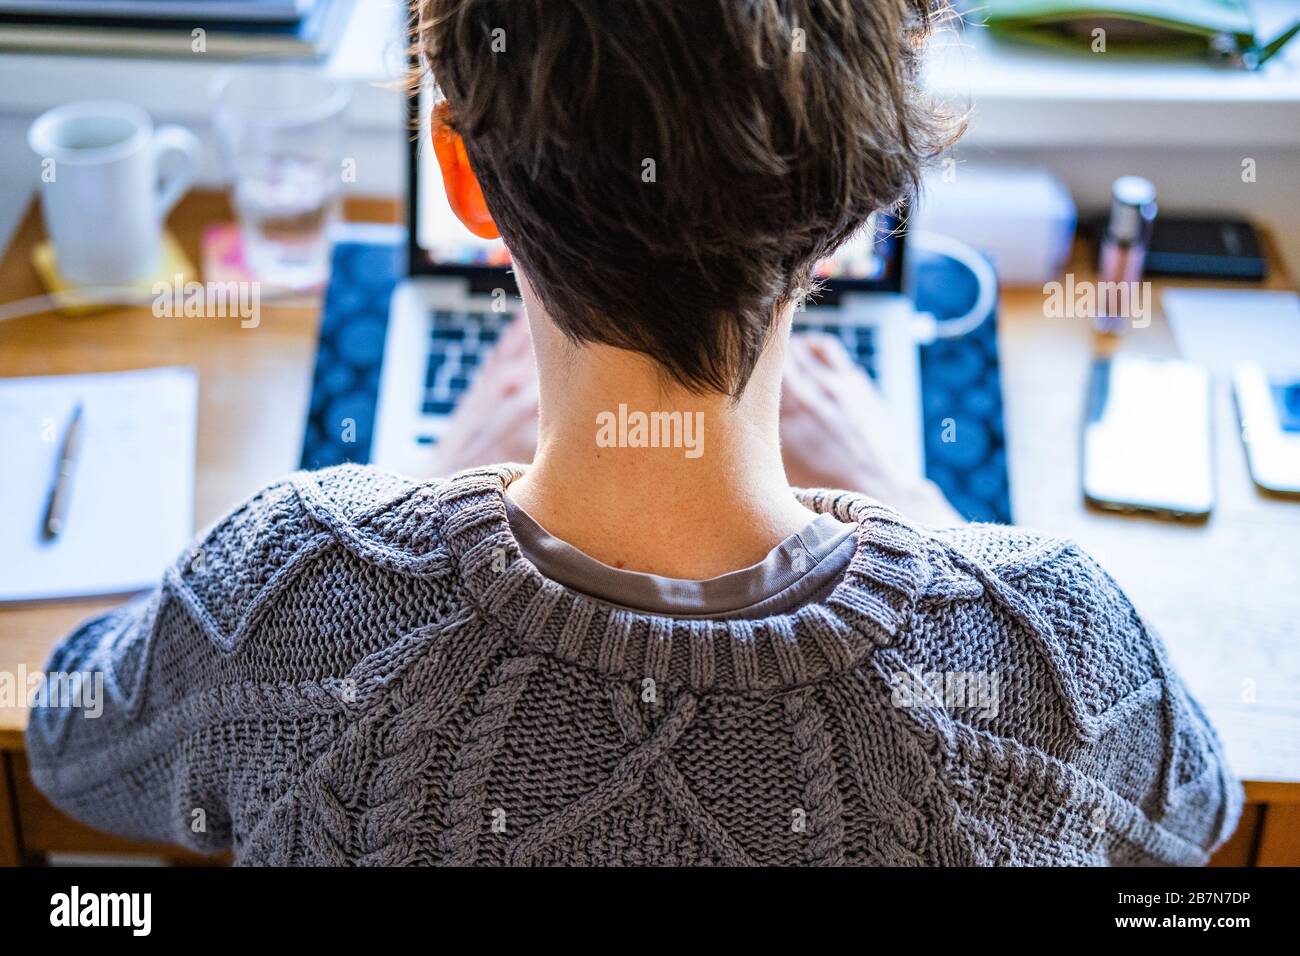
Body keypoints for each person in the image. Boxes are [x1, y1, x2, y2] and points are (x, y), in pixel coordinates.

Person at [27, 0, 1239, 865]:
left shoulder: (293, 590)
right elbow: (1203, 809)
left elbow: (67, 738)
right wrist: (922, 513)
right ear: (855, 208)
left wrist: (404, 515)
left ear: (460, 172)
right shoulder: (1055, 650)